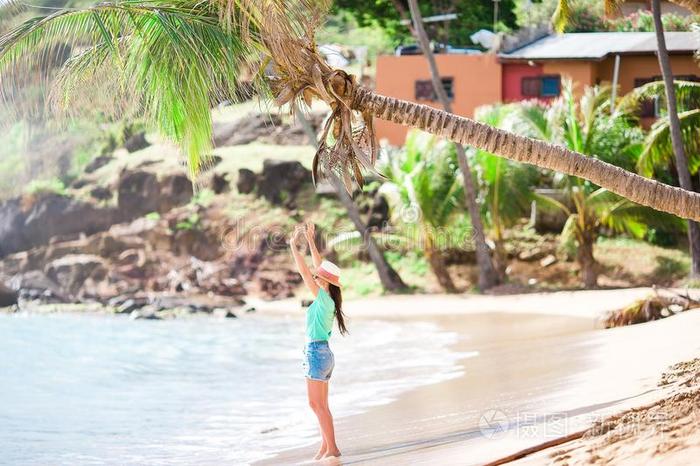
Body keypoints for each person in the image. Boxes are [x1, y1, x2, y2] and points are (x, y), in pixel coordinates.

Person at [288, 222, 348, 460]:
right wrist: (311, 240)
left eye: (320, 277)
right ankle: (326, 447)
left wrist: (294, 245)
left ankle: (332, 447)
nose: (316, 276)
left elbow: (305, 271)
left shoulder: (323, 299)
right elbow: (316, 266)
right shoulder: (330, 301)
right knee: (321, 405)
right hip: (324, 354)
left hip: (316, 353)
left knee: (316, 405)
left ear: (326, 283)